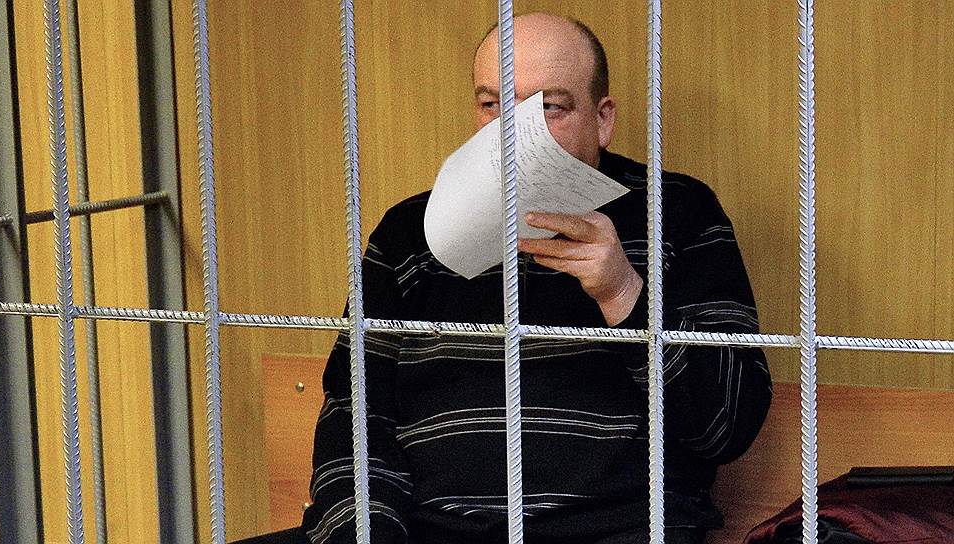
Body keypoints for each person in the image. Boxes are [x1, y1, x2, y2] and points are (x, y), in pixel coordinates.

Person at [301, 12, 771, 544]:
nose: (513, 132)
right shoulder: (411, 232)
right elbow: (353, 415)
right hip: (429, 531)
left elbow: (727, 426)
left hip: (615, 531)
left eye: (549, 106)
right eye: (492, 104)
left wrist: (623, 293)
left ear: (603, 119)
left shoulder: (678, 212)